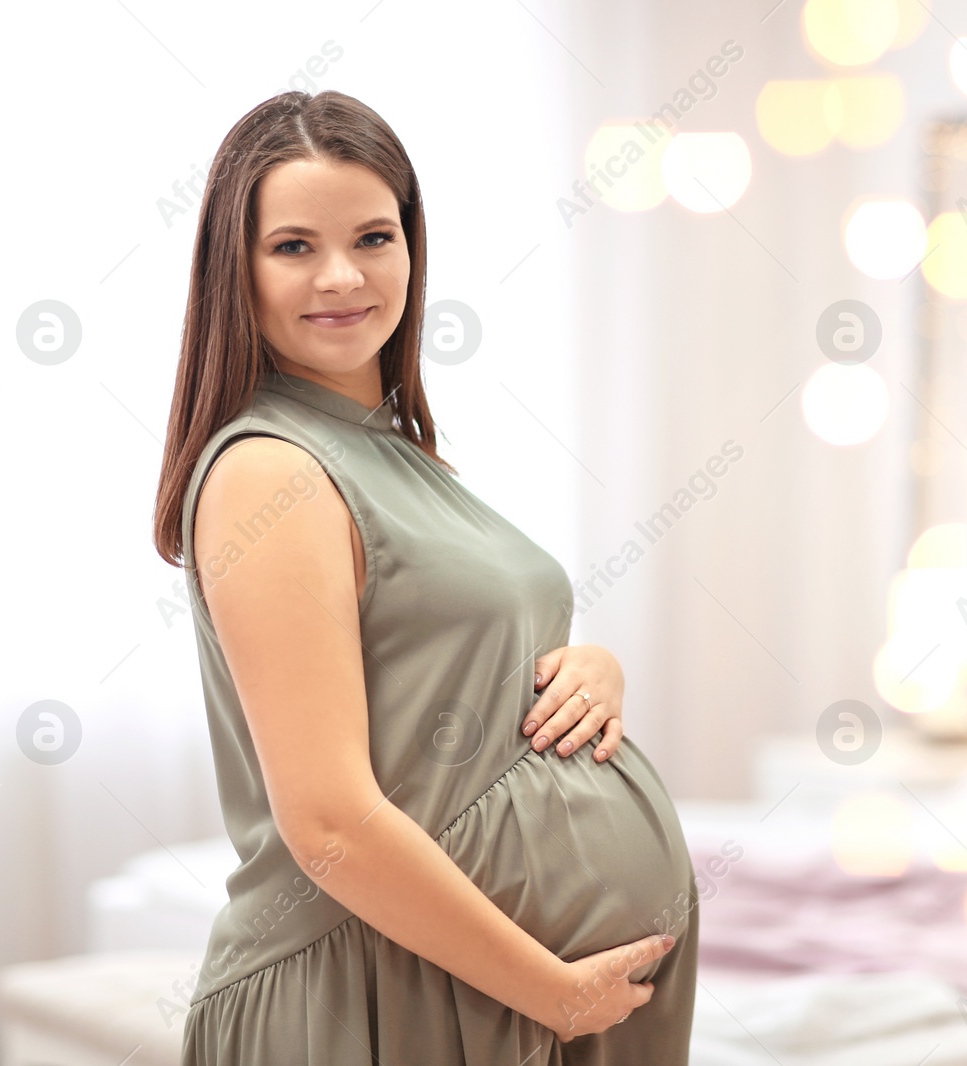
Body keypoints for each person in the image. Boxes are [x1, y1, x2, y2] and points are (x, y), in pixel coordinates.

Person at [150, 89, 699, 1064]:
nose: (341, 276)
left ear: (412, 246)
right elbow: (327, 822)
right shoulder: (269, 469)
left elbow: (450, 668)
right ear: (233, 265)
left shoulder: (392, 448)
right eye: (292, 246)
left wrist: (592, 669)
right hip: (368, 986)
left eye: (372, 236)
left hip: (467, 987)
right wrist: (556, 995)